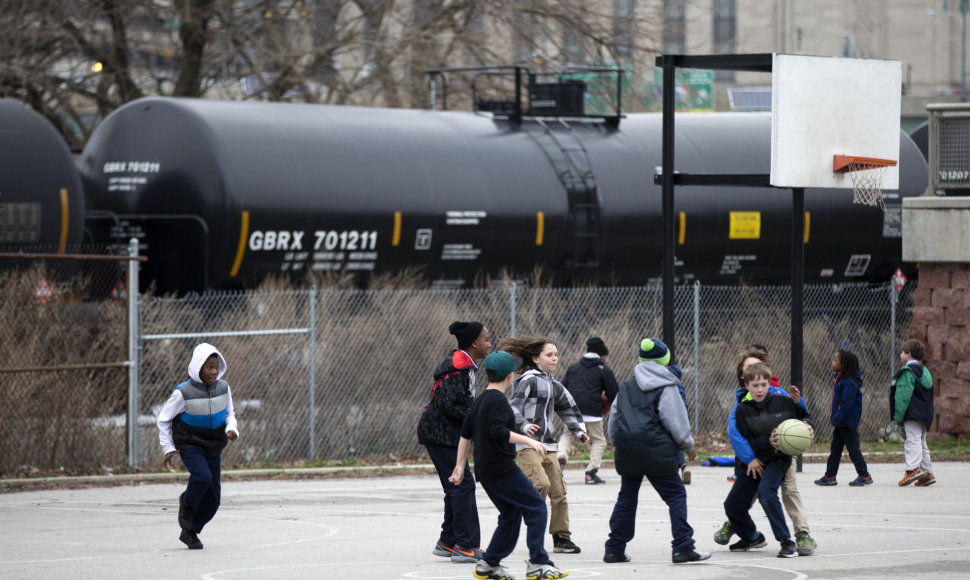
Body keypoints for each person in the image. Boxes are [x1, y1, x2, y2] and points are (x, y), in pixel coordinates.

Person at [450, 351, 568, 580]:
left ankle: (489, 563)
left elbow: (465, 434)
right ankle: (538, 562)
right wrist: (529, 440)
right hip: (501, 469)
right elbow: (499, 432)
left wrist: (459, 466)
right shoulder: (499, 402)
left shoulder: (480, 401)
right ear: (510, 376)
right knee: (536, 507)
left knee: (511, 514)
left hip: (486, 471)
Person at [603, 338, 711, 565]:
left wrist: (617, 442)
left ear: (640, 359)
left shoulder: (626, 386)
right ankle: (683, 546)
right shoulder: (667, 385)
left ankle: (614, 549)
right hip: (657, 451)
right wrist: (687, 445)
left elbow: (614, 419)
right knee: (676, 495)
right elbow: (676, 420)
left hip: (628, 449)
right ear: (665, 360)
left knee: (627, 496)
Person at [714, 345, 818, 556]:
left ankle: (796, 537)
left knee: (780, 491)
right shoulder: (741, 407)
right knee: (736, 503)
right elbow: (740, 436)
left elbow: (801, 418)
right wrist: (755, 454)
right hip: (753, 458)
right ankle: (750, 534)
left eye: (763, 382)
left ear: (767, 376)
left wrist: (806, 424)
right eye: (753, 380)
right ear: (744, 379)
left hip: (780, 458)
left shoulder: (781, 398)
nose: (760, 387)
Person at [501, 336, 589, 555]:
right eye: (549, 355)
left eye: (556, 355)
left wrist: (579, 430)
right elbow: (513, 408)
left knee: (559, 492)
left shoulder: (553, 384)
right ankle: (529, 521)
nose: (555, 359)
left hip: (548, 445)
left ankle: (561, 538)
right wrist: (523, 426)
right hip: (528, 445)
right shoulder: (527, 381)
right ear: (535, 359)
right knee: (540, 484)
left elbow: (568, 407)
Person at [416, 321, 491, 563]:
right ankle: (466, 546)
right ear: (474, 343)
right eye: (486, 339)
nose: (489, 344)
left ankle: (448, 541)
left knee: (455, 485)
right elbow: (449, 404)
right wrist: (476, 416)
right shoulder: (457, 368)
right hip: (440, 434)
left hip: (445, 434)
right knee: (463, 485)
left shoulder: (464, 366)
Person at [157, 343, 239, 550]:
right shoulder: (183, 393)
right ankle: (186, 501)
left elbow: (230, 414)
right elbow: (163, 419)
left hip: (213, 445)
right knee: (202, 477)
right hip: (190, 443)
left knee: (214, 501)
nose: (213, 371)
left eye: (216, 367)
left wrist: (232, 428)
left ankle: (190, 531)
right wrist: (167, 447)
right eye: (208, 367)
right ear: (198, 368)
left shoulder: (224, 387)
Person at [557, 336, 619, 485]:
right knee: (598, 440)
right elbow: (614, 393)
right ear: (602, 355)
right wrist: (609, 404)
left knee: (567, 436)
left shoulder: (573, 367)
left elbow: (562, 387)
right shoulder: (603, 369)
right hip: (592, 410)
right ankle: (591, 473)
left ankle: (561, 455)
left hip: (572, 409)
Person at [815, 349, 872, 486]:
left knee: (853, 450)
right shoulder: (841, 379)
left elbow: (847, 404)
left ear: (844, 365)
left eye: (835, 360)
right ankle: (830, 476)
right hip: (841, 423)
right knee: (835, 450)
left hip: (848, 423)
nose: (832, 362)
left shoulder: (849, 383)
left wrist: (838, 418)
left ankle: (864, 475)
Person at [891, 339, 936, 487]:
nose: (900, 354)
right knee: (921, 442)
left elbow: (903, 395)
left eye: (903, 352)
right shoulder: (925, 371)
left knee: (912, 440)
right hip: (925, 413)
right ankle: (927, 473)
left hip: (912, 413)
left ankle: (912, 469)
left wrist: (898, 415)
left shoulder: (907, 372)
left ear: (909, 354)